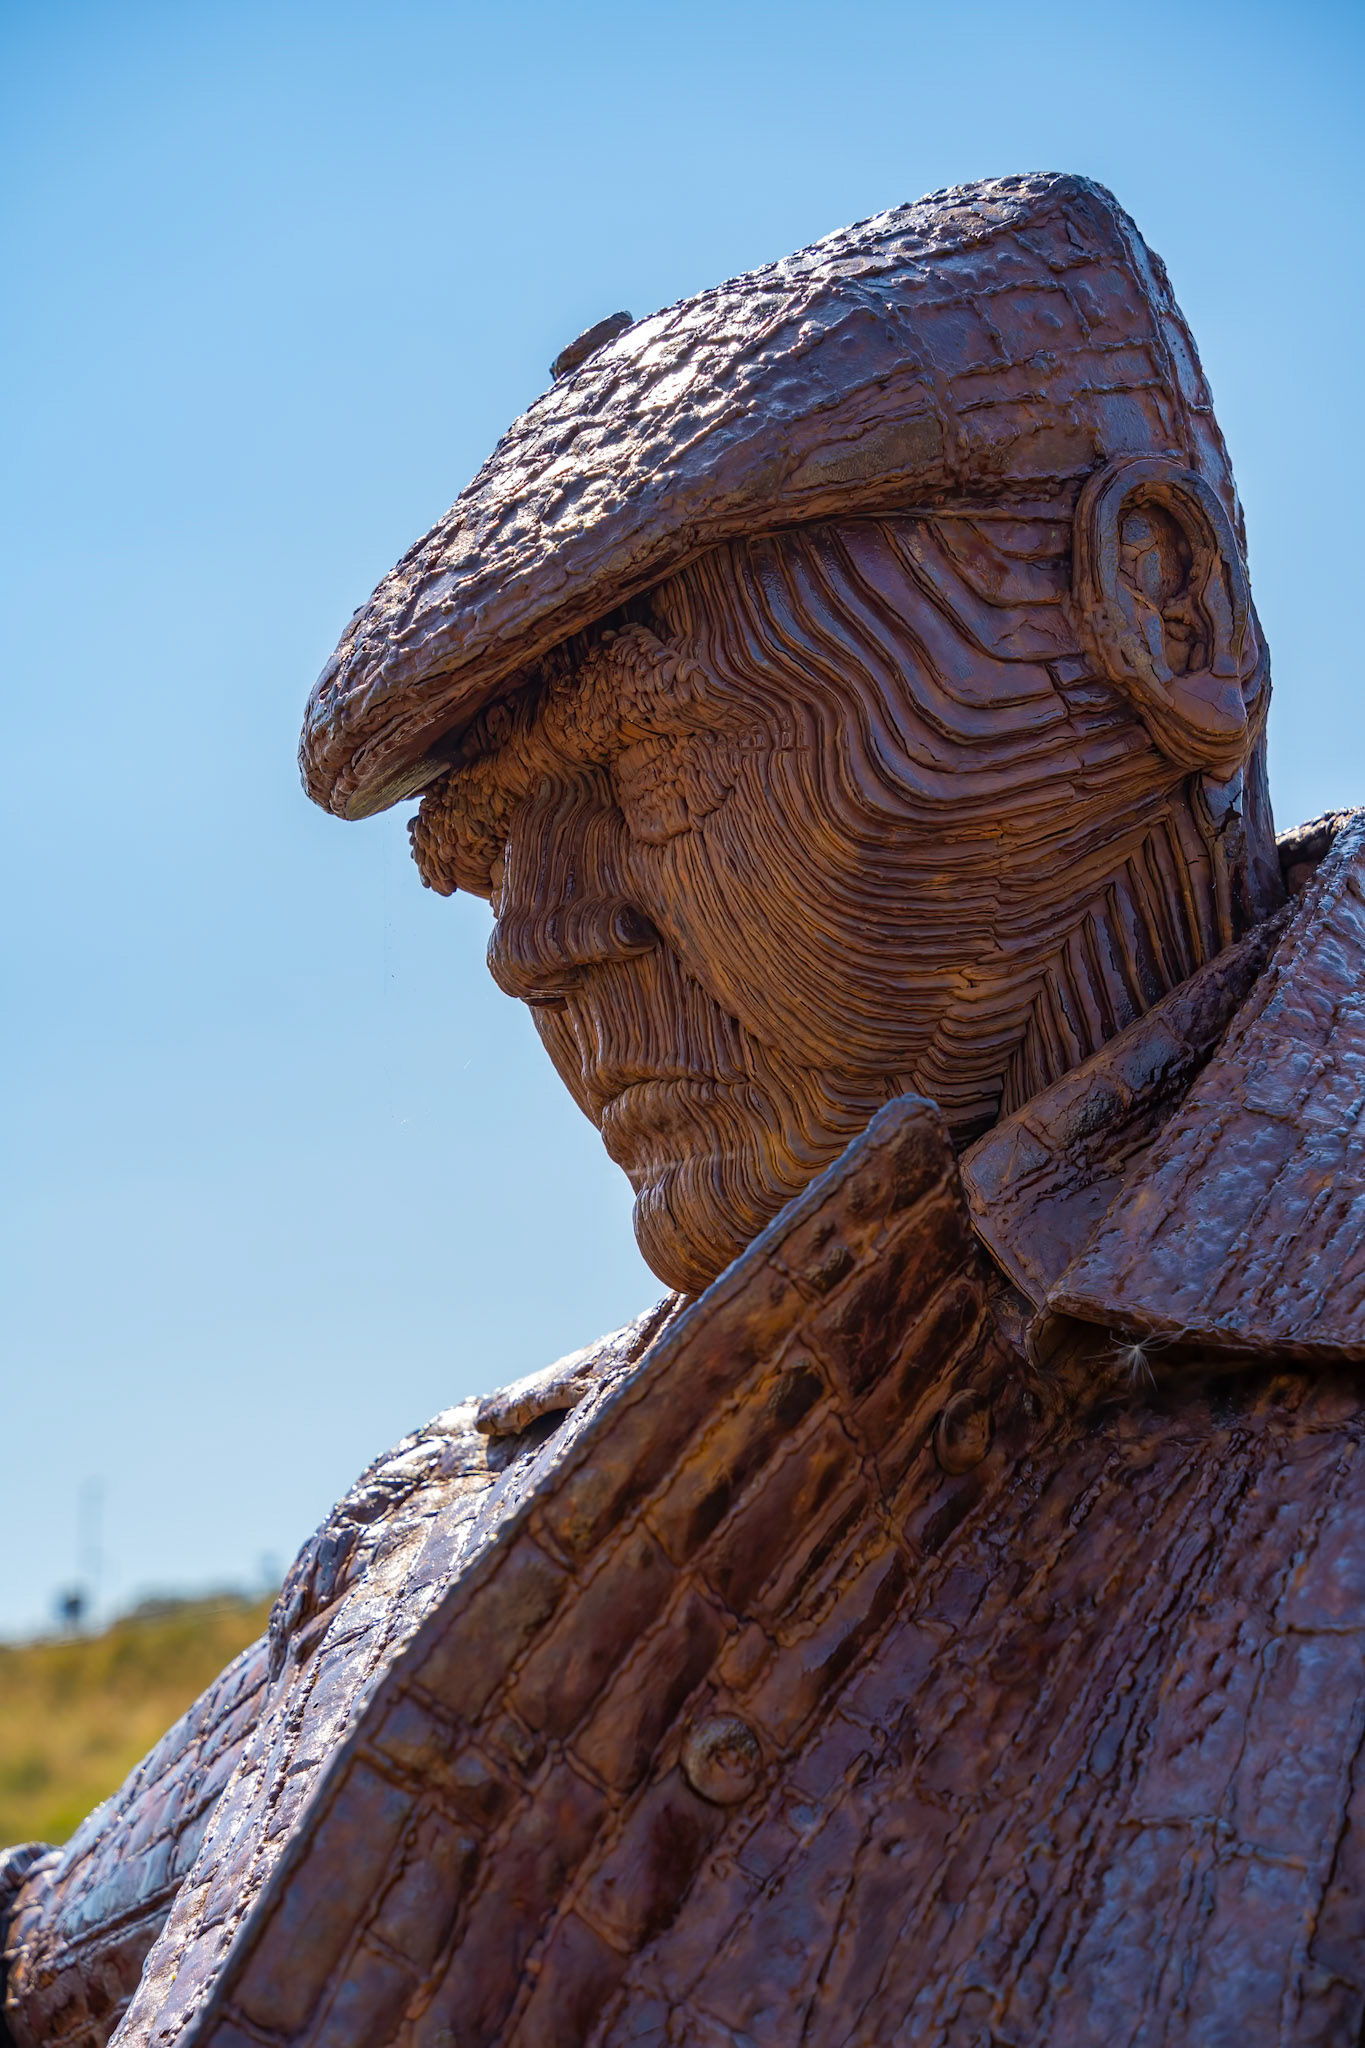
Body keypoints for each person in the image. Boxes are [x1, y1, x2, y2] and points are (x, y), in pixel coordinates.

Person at [7, 173, 1363, 2048]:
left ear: (1160, 609)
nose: (534, 948)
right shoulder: (440, 1534)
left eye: (648, 756)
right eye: (481, 859)